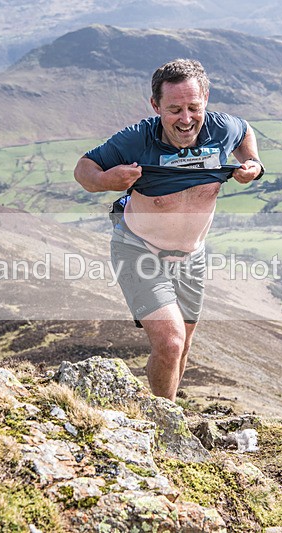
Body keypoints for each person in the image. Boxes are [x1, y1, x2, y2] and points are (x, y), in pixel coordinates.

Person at [73, 58, 264, 401]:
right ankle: (165, 424)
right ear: (156, 105)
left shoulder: (221, 129)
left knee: (183, 345)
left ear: (206, 98)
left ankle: (167, 410)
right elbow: (83, 168)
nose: (186, 118)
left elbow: (246, 131)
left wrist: (254, 163)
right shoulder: (136, 139)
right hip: (139, 250)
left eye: (194, 107)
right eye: (175, 109)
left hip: (192, 256)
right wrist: (104, 180)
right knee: (171, 342)